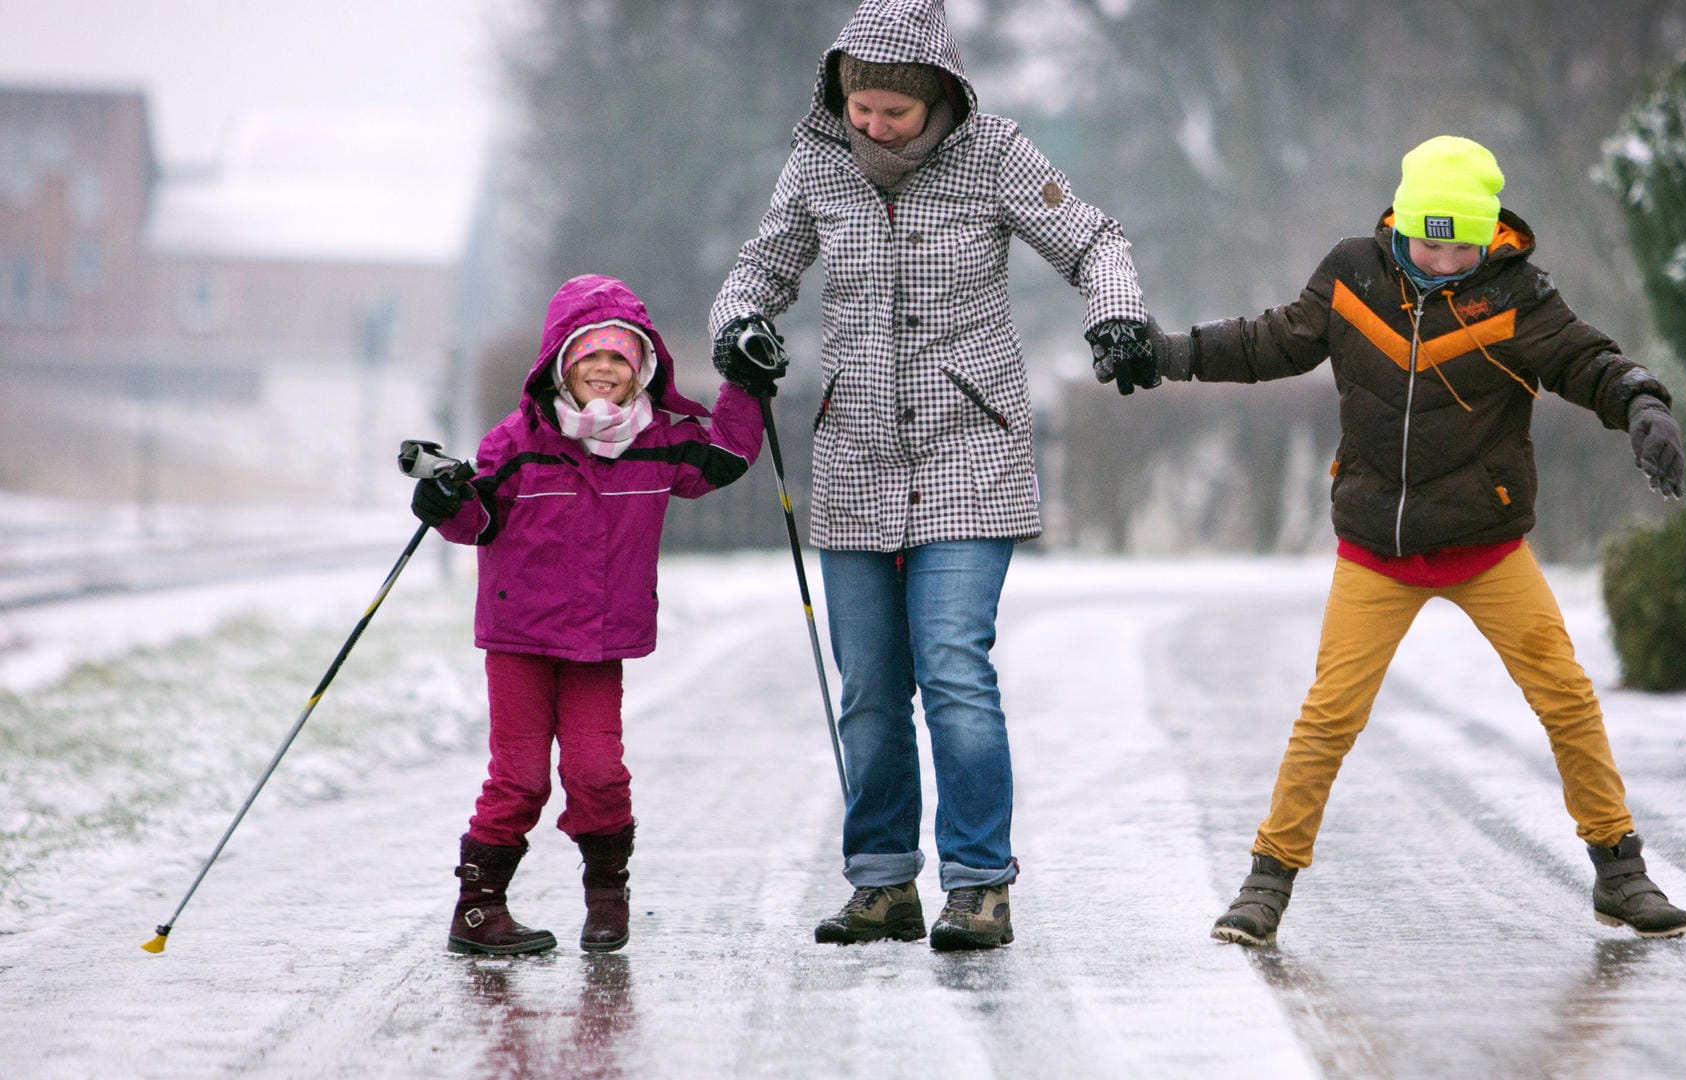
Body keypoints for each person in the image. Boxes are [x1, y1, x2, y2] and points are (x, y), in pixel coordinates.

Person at [1149, 135, 1686, 947]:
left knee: (1565, 696)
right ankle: (1267, 882)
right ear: (1400, 224)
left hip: (1485, 545)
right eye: (1428, 239)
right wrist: (1173, 354)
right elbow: (1272, 340)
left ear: (1491, 236)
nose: (1443, 258)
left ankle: (1620, 871)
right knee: (1329, 716)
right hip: (1378, 545)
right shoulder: (1353, 277)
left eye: (1462, 244)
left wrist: (1644, 403)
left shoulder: (1517, 296)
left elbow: (1589, 361)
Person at [708, 0, 1159, 951]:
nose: (873, 127)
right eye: (860, 108)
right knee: (870, 685)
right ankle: (881, 883)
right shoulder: (818, 160)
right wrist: (739, 326)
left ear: (941, 99)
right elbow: (761, 267)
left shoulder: (994, 153)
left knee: (953, 667)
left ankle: (978, 883)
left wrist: (1114, 314)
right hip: (857, 459)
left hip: (971, 453)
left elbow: (1094, 240)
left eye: (894, 114)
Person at [412, 273, 764, 955]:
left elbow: (723, 456)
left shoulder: (659, 441)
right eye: (589, 356)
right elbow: (478, 518)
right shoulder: (517, 441)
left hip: (599, 643)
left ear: (641, 371)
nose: (603, 370)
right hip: (520, 641)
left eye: (619, 358)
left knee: (597, 771)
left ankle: (607, 900)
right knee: (519, 778)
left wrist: (745, 384)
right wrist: (444, 503)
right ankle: (478, 910)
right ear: (560, 366)